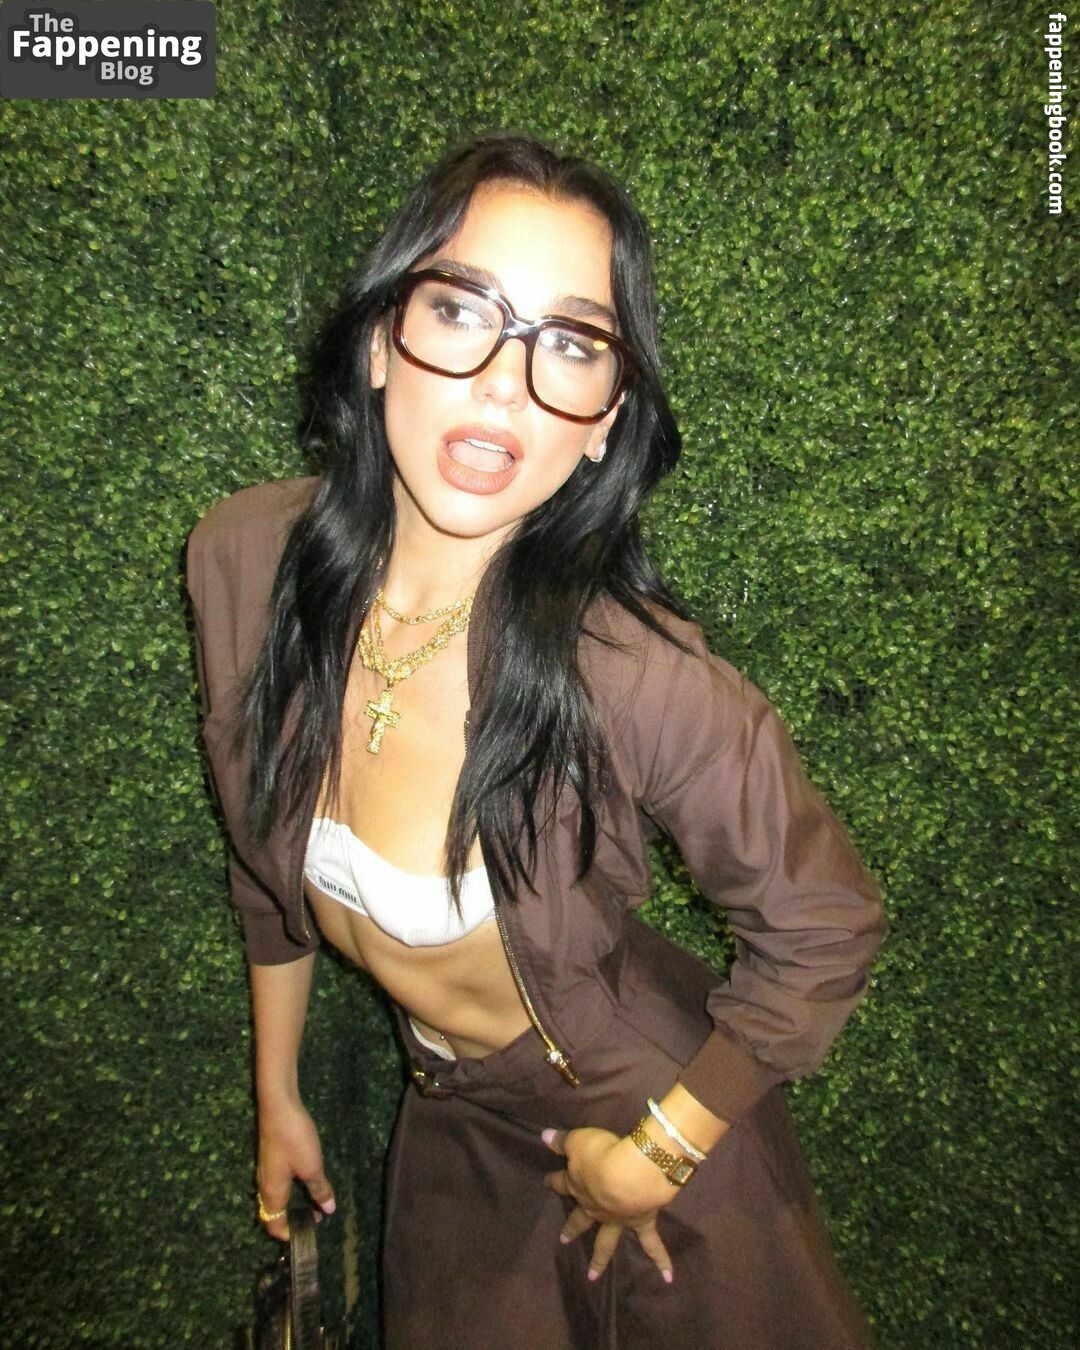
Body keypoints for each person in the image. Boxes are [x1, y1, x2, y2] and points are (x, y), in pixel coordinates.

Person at [185, 130, 888, 1349]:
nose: (506, 384)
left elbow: (826, 925)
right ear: (379, 343)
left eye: (569, 342)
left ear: (604, 420)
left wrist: (661, 1153)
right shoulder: (245, 563)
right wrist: (277, 1091)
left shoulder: (636, 676)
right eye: (462, 310)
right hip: (451, 1114)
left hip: (635, 1107)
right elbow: (266, 878)